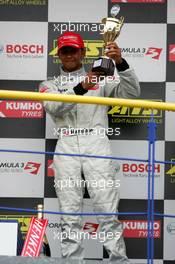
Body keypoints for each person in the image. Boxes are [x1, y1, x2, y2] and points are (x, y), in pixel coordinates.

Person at [39, 31, 140, 263]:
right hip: (65, 145)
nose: (69, 55)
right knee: (69, 214)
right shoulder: (48, 84)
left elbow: (133, 94)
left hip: (96, 143)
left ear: (83, 52)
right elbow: (54, 107)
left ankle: (118, 260)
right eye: (64, 50)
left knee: (107, 211)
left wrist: (120, 63)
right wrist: (83, 86)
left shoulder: (102, 77)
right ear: (58, 55)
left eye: (73, 50)